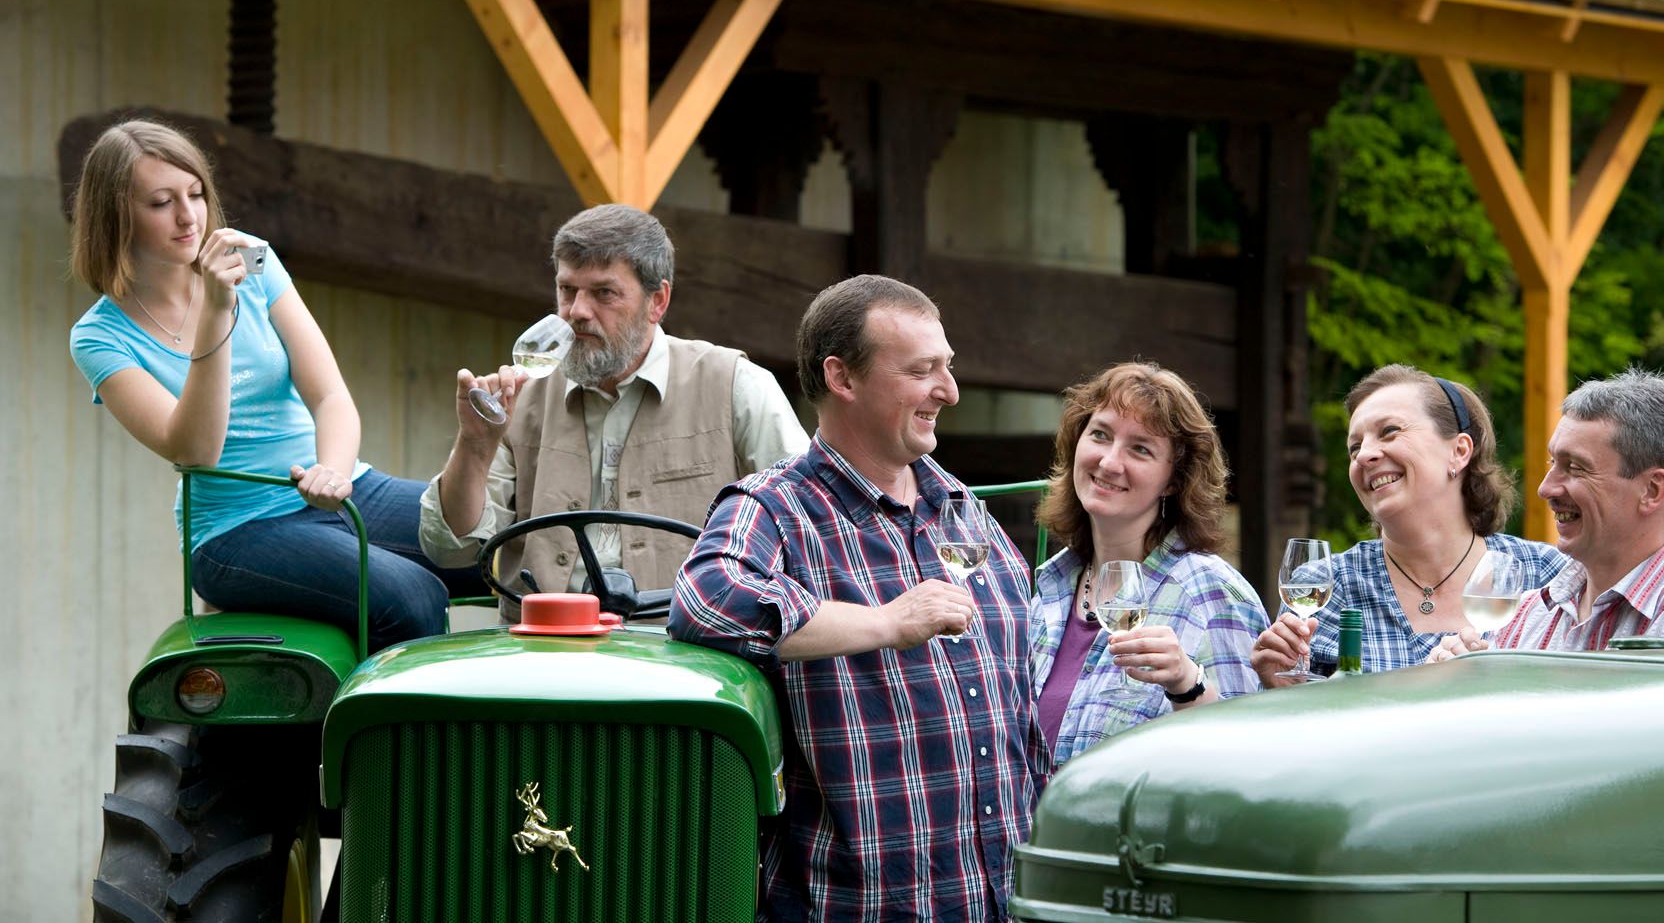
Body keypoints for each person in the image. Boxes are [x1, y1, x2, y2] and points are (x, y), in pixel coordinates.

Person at [669, 275, 1045, 922]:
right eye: (921, 370)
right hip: (860, 905)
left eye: (946, 368)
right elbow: (707, 603)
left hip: (1003, 902)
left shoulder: (961, 508)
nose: (948, 391)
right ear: (842, 377)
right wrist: (886, 622)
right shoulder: (775, 507)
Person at [68, 119, 455, 652]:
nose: (189, 217)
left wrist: (334, 475)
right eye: (161, 203)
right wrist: (217, 311)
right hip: (236, 530)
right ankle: (388, 736)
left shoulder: (253, 257)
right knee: (410, 597)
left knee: (502, 543)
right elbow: (196, 449)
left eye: (196, 193)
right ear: (116, 217)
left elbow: (331, 396)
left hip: (340, 490)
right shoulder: (99, 336)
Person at [418, 204, 807, 603]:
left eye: (604, 293)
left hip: (686, 649)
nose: (577, 312)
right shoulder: (522, 397)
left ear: (658, 301)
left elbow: (805, 529)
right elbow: (450, 550)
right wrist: (475, 445)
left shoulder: (735, 386)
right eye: (567, 290)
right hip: (541, 645)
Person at [1251, 364, 1565, 683]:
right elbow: (1301, 724)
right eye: (1354, 447)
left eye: (1389, 431)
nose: (1363, 456)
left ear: (1459, 452)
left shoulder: (1546, 575)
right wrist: (1282, 694)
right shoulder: (1328, 584)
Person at [1430, 368, 1664, 659]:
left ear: (1652, 491)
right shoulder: (1524, 618)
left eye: (1575, 468)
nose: (1546, 489)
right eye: (1552, 464)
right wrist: (1462, 692)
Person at [1031, 362, 1268, 766]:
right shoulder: (1048, 588)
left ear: (1174, 480)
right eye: (1100, 435)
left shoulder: (1210, 593)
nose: (1108, 462)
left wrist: (1187, 685)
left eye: (1139, 449)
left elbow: (1246, 760)